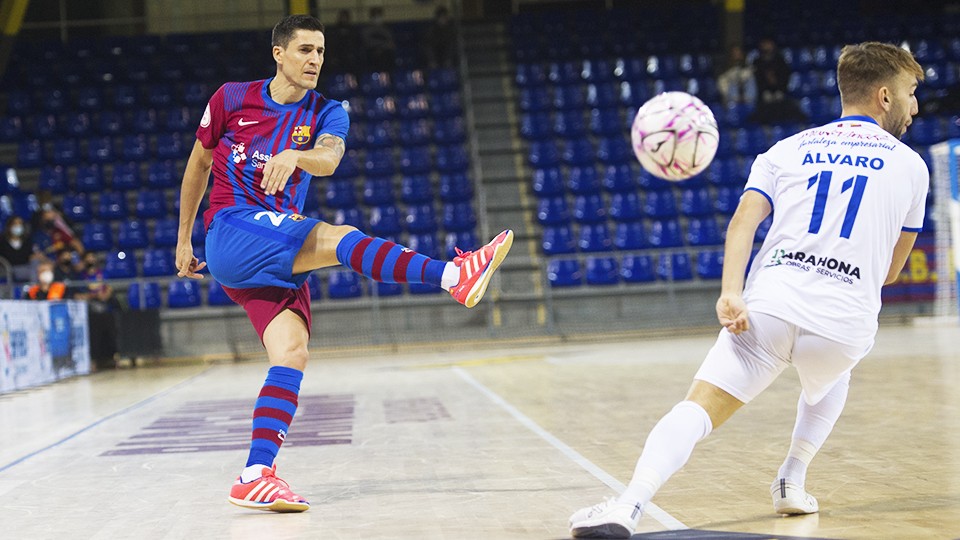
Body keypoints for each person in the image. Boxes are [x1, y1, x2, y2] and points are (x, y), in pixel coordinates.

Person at [568, 41, 927, 538]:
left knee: (695, 409)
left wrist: (730, 292)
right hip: (844, 327)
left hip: (768, 309)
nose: (915, 107)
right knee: (832, 377)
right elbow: (889, 274)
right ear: (885, 96)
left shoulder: (786, 149)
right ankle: (791, 480)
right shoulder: (912, 166)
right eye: (911, 93)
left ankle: (627, 506)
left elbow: (743, 223)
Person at [175, 15, 512, 513]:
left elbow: (329, 158)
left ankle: (254, 474)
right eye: (305, 50)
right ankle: (451, 276)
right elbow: (198, 164)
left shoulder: (329, 111)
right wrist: (184, 239)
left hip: (276, 244)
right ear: (279, 53)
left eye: (321, 52)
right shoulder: (230, 98)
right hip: (230, 230)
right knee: (340, 238)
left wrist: (297, 156)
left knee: (291, 353)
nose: (315, 60)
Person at [748, 37, 807, 124]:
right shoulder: (757, 62)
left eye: (768, 44)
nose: (766, 47)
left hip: (780, 93)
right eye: (764, 44)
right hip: (763, 95)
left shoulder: (780, 60)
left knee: (790, 107)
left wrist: (780, 90)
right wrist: (765, 91)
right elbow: (756, 80)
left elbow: (785, 77)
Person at [0, 215, 38, 282]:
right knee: (33, 273)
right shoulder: (3, 242)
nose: (18, 226)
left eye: (20, 224)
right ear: (9, 226)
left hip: (26, 266)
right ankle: (34, 289)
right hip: (10, 269)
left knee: (37, 267)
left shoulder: (27, 241)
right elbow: (6, 258)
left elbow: (31, 255)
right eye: (15, 224)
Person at [360, 6, 396, 73]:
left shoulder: (386, 29)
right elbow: (368, 42)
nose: (377, 18)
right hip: (371, 52)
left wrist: (381, 46)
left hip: (385, 52)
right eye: (375, 16)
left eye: (379, 15)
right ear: (371, 17)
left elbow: (390, 42)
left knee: (387, 56)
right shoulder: (366, 30)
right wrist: (380, 45)